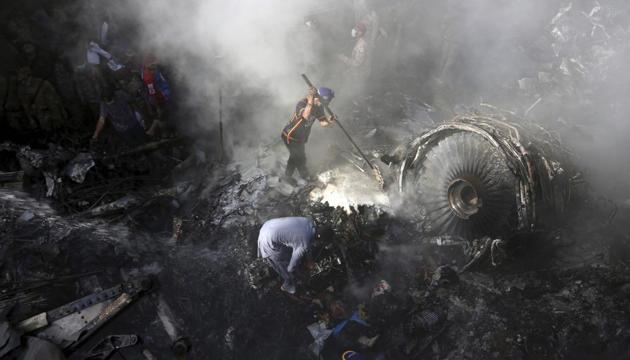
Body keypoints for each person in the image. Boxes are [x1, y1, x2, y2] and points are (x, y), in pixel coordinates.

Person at [281, 86, 335, 184]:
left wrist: (330, 121)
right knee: (300, 157)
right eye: (327, 101)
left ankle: (287, 176)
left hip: (300, 137)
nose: (327, 104)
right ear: (319, 98)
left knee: (295, 156)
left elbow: (323, 123)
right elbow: (305, 116)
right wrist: (310, 100)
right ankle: (305, 177)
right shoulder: (302, 103)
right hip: (290, 135)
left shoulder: (319, 107)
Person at [257, 217, 321, 294]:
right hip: (267, 241)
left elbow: (307, 242)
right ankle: (287, 285)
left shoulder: (308, 221)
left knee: (290, 248)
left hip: (267, 225)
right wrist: (300, 271)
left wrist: (310, 259)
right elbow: (291, 267)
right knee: (285, 265)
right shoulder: (303, 243)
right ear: (319, 236)